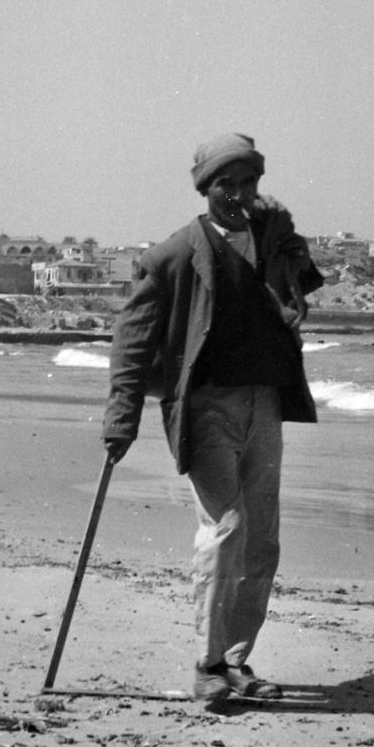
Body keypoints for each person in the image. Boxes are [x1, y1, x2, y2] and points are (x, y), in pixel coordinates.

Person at [102, 133, 324, 704]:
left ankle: (234, 661)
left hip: (266, 404)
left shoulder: (271, 241)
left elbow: (304, 289)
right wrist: (121, 417)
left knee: (262, 542)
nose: (238, 194)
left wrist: (289, 241)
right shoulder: (177, 253)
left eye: (248, 183)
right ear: (206, 189)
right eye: (226, 184)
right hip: (206, 407)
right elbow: (131, 338)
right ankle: (206, 664)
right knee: (226, 526)